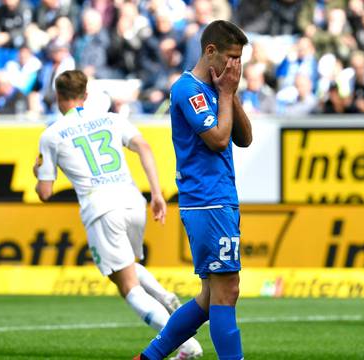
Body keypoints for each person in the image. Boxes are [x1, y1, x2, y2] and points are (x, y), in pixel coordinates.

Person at [33, 70, 203, 359]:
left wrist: (38, 172)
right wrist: (157, 194)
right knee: (125, 266)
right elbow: (144, 147)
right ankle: (164, 297)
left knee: (127, 286)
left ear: (57, 97)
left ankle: (186, 344)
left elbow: (45, 192)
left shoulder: (51, 135)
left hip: (101, 209)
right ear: (85, 95)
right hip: (133, 200)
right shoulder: (112, 119)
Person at [135, 20, 251, 360]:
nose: (235, 66)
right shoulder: (187, 89)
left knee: (208, 298)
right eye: (231, 57)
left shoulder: (219, 88)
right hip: (207, 201)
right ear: (210, 51)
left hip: (219, 198)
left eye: (240, 59)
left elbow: (244, 138)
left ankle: (150, 356)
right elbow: (217, 140)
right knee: (227, 291)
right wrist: (226, 94)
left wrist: (231, 93)